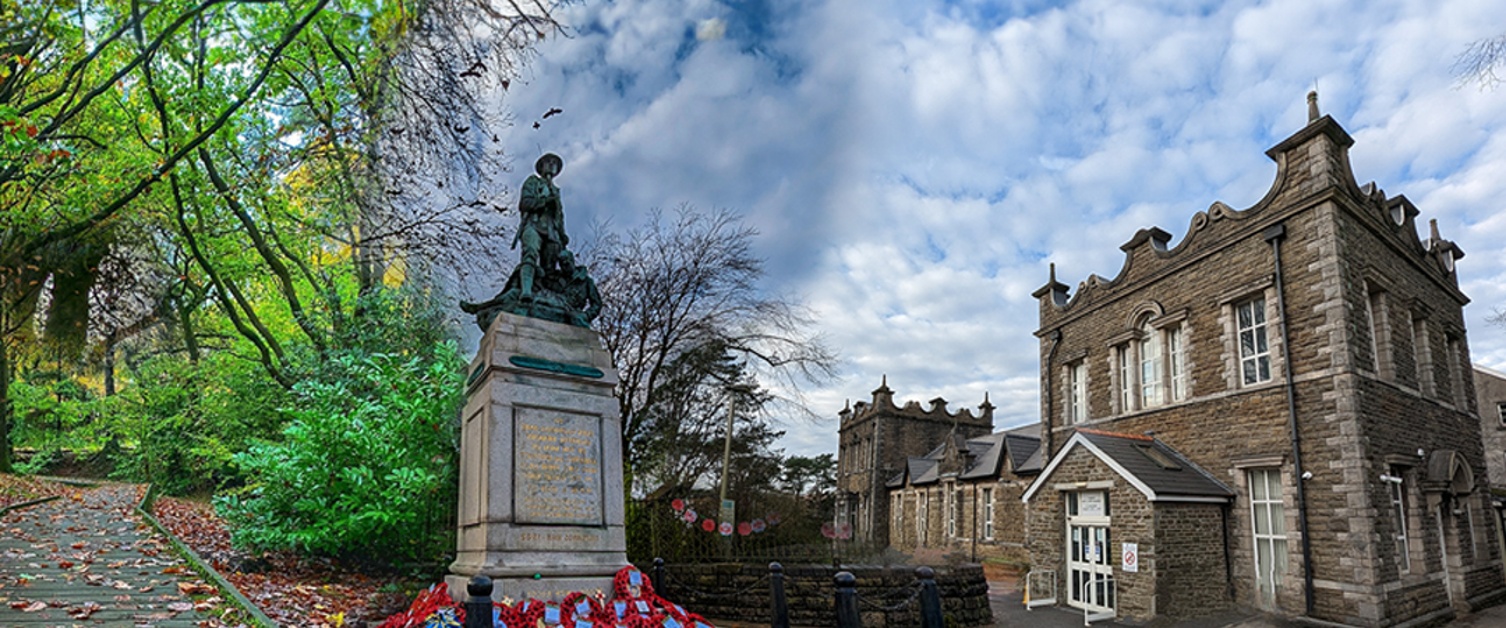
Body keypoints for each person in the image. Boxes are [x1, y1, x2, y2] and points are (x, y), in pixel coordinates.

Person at [513, 153, 568, 301]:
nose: (551, 165)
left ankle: (545, 297)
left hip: (551, 231)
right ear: (541, 166)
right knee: (530, 254)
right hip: (534, 224)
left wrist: (562, 234)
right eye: (547, 162)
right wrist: (543, 202)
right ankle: (526, 291)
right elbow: (524, 203)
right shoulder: (532, 181)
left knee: (549, 267)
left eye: (554, 163)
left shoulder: (556, 190)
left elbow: (560, 215)